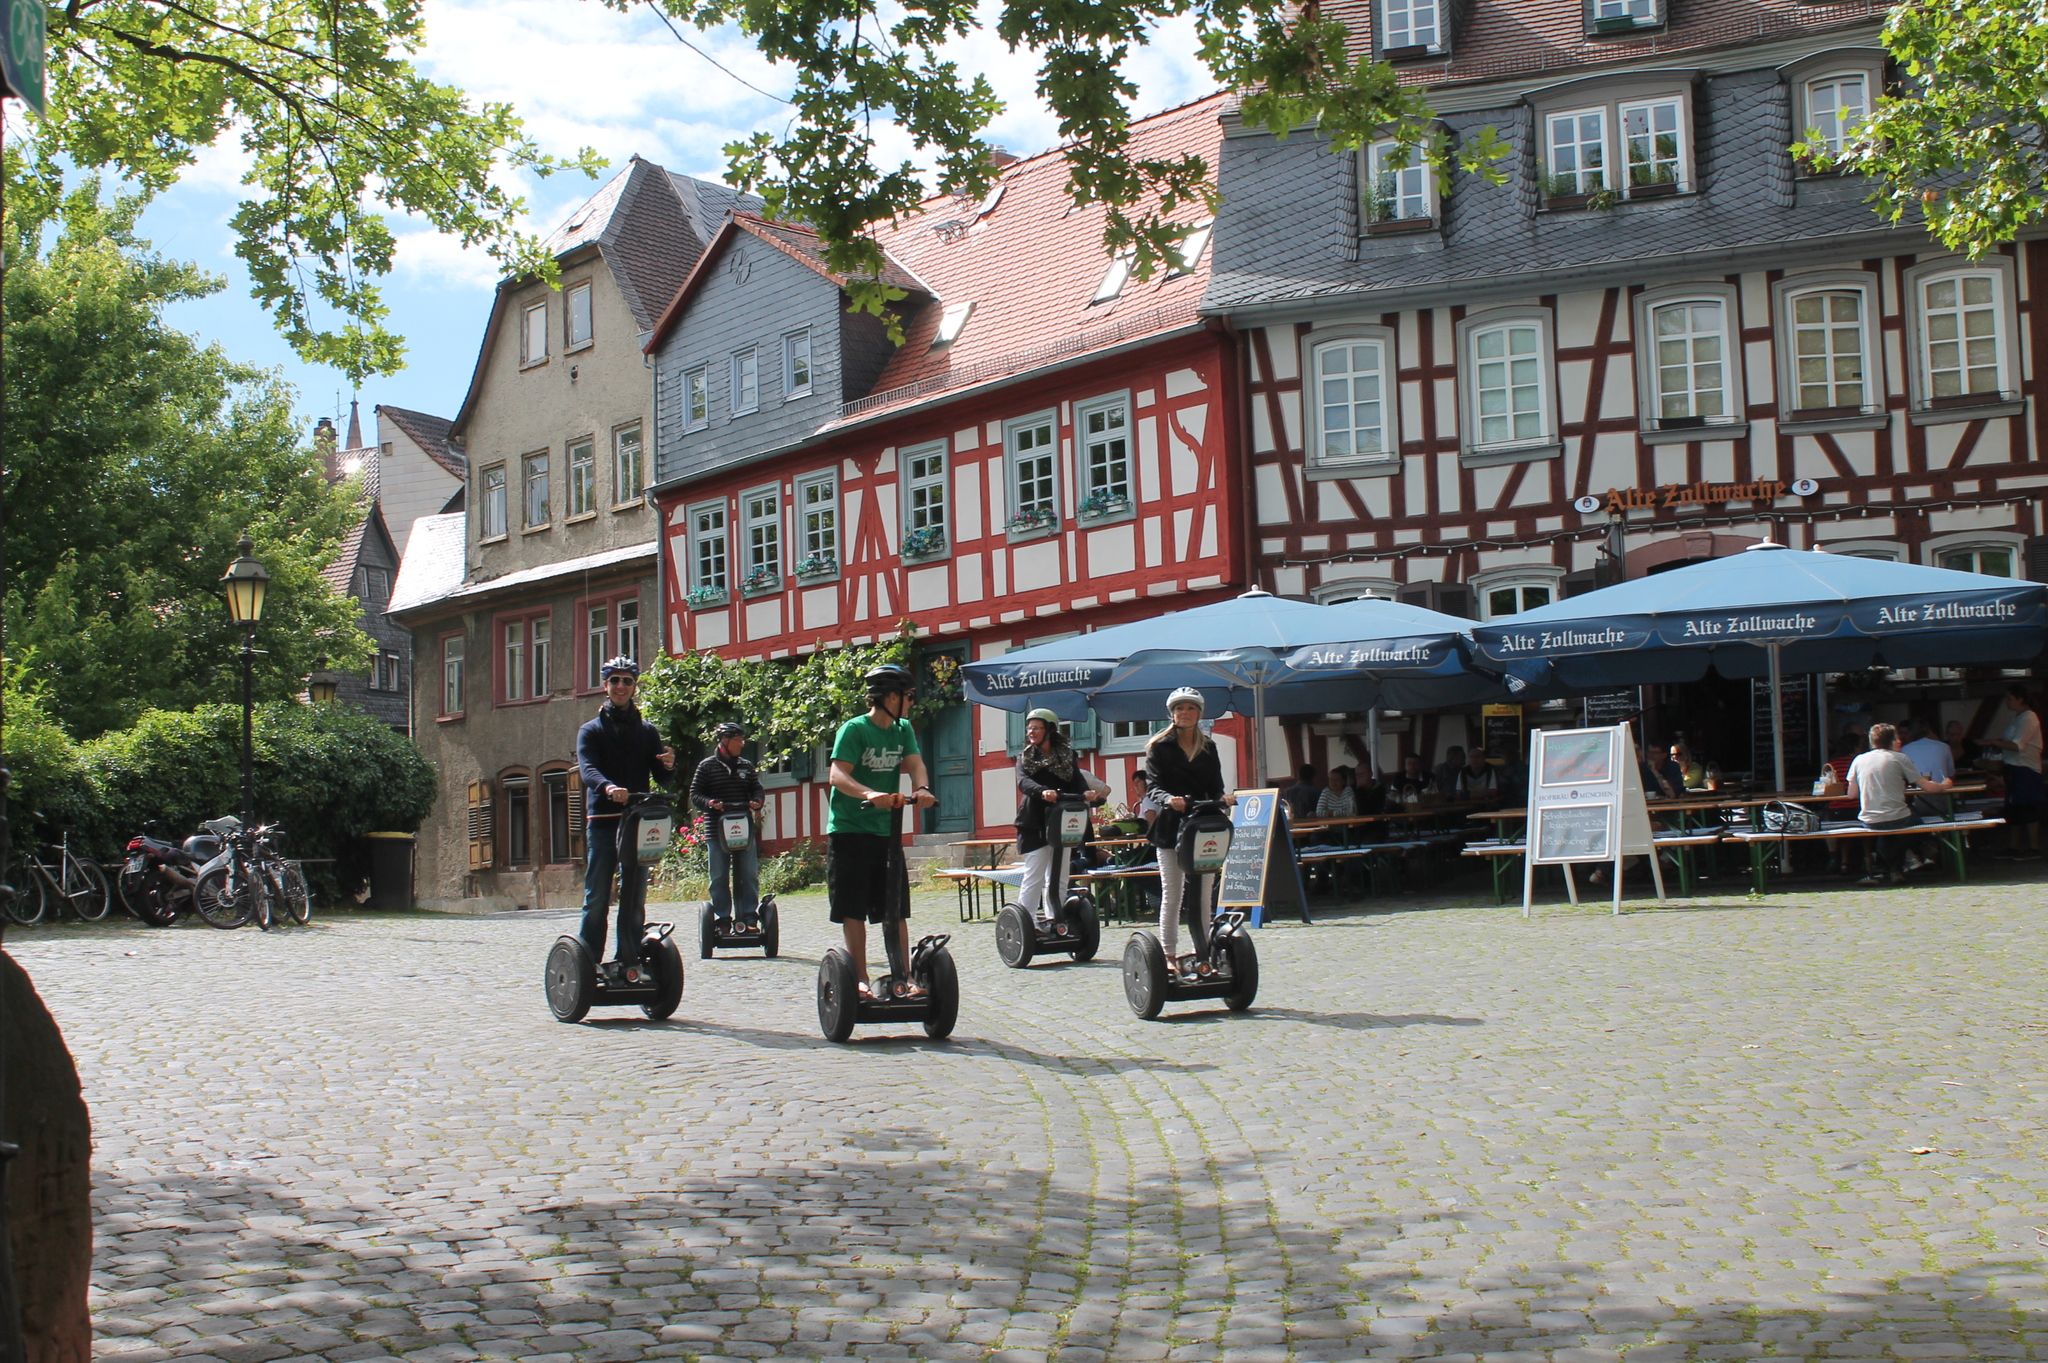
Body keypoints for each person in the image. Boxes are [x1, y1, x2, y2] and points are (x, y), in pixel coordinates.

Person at [825, 663, 939, 999]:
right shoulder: (854, 729)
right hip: (849, 830)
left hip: (884, 832)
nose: (911, 703)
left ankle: (903, 978)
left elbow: (915, 763)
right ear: (891, 697)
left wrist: (922, 789)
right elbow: (837, 776)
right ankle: (860, 979)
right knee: (854, 907)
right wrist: (869, 794)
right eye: (908, 696)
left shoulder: (902, 729)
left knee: (895, 906)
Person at [575, 656, 677, 972]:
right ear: (605, 686)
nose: (621, 686)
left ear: (634, 687)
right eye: (615, 680)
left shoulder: (646, 731)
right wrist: (607, 788)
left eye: (627, 681)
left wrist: (668, 765)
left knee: (634, 897)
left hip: (636, 821)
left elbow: (662, 777)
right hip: (604, 821)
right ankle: (589, 961)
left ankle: (629, 958)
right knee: (597, 899)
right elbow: (587, 768)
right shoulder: (590, 731)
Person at [1144, 686, 1233, 980]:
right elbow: (1153, 786)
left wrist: (1224, 799)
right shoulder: (1159, 746)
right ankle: (1168, 954)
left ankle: (1204, 951)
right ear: (1172, 713)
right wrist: (1169, 799)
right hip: (1171, 829)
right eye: (1179, 708)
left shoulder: (1208, 747)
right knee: (1173, 893)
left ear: (1199, 714)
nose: (1185, 713)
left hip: (1202, 825)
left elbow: (1216, 785)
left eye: (1190, 708)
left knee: (1205, 893)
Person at [1013, 708, 1107, 923]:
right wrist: (1042, 791)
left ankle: (1055, 918)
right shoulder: (1025, 757)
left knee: (1059, 875)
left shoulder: (1066, 755)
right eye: (1029, 728)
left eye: (1037, 728)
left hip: (1061, 822)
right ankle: (1027, 922)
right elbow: (1023, 782)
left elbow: (1076, 779)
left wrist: (1085, 792)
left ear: (1050, 730)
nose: (1031, 732)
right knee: (1034, 874)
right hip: (1034, 822)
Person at [1846, 722, 1952, 885]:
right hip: (1898, 818)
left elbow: (1851, 794)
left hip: (1869, 820)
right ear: (1892, 740)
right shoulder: (1899, 758)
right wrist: (1945, 784)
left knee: (1886, 831)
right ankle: (1911, 860)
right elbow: (1928, 787)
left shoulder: (1859, 760)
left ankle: (1886, 870)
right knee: (1913, 822)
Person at [690, 720, 765, 930]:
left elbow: (757, 789)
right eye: (738, 740)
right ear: (725, 741)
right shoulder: (706, 766)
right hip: (716, 829)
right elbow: (695, 794)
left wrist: (757, 801)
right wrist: (710, 803)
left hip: (743, 828)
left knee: (748, 874)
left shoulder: (746, 766)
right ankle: (723, 918)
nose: (742, 744)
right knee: (719, 876)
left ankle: (749, 917)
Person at [1986, 685, 2044, 859]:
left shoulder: (2029, 717)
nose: (2007, 702)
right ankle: (2014, 846)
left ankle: (2034, 848)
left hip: (2025, 768)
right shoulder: (2017, 718)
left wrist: (1994, 742)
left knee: (2028, 807)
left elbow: (2018, 745)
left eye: (2010, 698)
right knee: (2014, 809)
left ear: (2020, 699)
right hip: (2013, 767)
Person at [1899, 716, 1955, 784]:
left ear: (1910, 732)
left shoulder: (1904, 749)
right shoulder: (1944, 747)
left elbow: (1901, 776)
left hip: (1916, 792)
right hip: (1942, 790)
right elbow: (1951, 775)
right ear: (1929, 731)